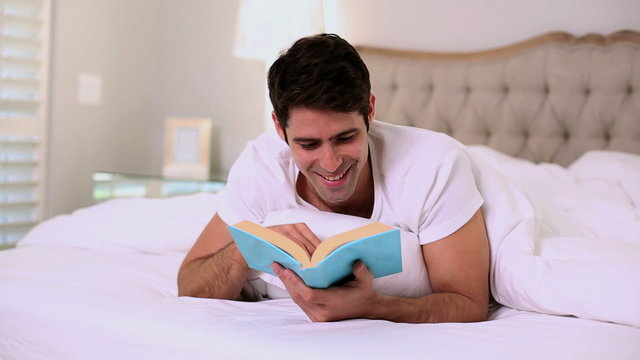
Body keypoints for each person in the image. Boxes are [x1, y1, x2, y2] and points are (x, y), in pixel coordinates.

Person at [177, 33, 490, 323]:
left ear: (369, 110)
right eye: (308, 144)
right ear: (279, 127)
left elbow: (468, 302)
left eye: (345, 138)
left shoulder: (434, 166)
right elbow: (190, 283)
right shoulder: (262, 166)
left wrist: (374, 307)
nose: (331, 163)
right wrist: (250, 248)